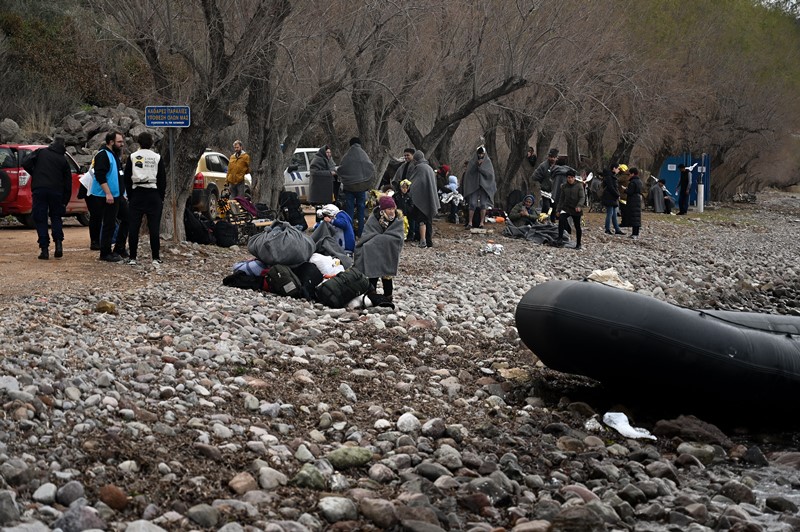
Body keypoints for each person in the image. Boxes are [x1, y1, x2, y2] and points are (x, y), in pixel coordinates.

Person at [124, 131, 166, 265]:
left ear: (139, 142)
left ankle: (132, 257)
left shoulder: (132, 157)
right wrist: (160, 196)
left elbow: (127, 178)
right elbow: (162, 179)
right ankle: (155, 257)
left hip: (137, 192)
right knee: (154, 227)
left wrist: (130, 195)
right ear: (151, 143)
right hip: (153, 192)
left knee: (134, 227)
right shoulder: (157, 157)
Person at [354, 195, 404, 309]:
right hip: (375, 251)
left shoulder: (397, 220)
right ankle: (371, 294)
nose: (392, 211)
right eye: (389, 209)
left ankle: (388, 296)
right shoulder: (374, 219)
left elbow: (398, 237)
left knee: (387, 274)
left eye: (393, 208)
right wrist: (381, 240)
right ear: (383, 210)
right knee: (374, 270)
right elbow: (368, 234)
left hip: (388, 251)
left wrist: (381, 240)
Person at [87, 131, 129, 262]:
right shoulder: (103, 155)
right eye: (119, 142)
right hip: (107, 196)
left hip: (117, 195)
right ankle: (105, 253)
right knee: (109, 224)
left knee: (127, 218)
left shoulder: (114, 155)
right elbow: (100, 175)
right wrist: (108, 193)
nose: (122, 144)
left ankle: (119, 248)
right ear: (111, 142)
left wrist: (123, 193)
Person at [28, 137, 72, 260]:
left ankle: (44, 249)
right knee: (56, 217)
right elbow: (68, 183)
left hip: (39, 189)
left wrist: (35, 173)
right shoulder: (63, 160)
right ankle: (58, 245)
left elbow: (26, 162)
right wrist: (65, 200)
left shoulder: (41, 152)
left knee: (40, 218)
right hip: (57, 191)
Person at [337, 137, 375, 238]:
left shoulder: (347, 156)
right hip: (361, 187)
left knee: (349, 210)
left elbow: (341, 169)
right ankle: (361, 233)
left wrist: (346, 178)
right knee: (361, 210)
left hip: (349, 187)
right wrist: (364, 179)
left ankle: (350, 232)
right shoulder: (363, 154)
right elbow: (371, 167)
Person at [408, 150, 440, 248]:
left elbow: (414, 183)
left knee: (422, 220)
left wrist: (409, 191)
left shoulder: (419, 168)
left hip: (422, 199)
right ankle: (429, 241)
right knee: (428, 221)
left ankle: (423, 241)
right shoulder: (429, 168)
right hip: (429, 198)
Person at [462, 146, 496, 229]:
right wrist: (476, 166)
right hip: (474, 185)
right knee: (472, 203)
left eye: (482, 154)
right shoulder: (472, 162)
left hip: (484, 186)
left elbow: (490, 175)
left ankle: (481, 223)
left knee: (483, 204)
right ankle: (470, 222)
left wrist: (481, 168)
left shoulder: (488, 162)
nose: (480, 155)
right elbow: (469, 174)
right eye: (479, 153)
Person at [555, 169, 585, 249]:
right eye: (568, 177)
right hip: (566, 208)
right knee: (561, 219)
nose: (570, 179)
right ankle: (560, 239)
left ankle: (578, 243)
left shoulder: (579, 185)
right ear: (566, 178)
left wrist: (579, 206)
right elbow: (561, 199)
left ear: (574, 178)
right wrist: (558, 210)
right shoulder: (564, 186)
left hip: (576, 208)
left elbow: (582, 197)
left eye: (572, 177)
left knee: (577, 226)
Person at [531, 148, 559, 219]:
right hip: (545, 190)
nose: (553, 159)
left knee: (553, 207)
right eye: (551, 157)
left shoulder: (557, 166)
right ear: (548, 157)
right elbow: (534, 176)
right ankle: (541, 220)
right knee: (546, 206)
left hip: (553, 190)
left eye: (554, 157)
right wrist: (542, 182)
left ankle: (552, 221)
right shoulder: (543, 166)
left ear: (556, 158)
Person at [602, 165, 625, 235]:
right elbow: (611, 187)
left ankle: (617, 229)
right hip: (609, 197)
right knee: (610, 213)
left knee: (614, 214)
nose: (619, 170)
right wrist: (617, 195)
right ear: (614, 168)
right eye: (618, 168)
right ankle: (607, 229)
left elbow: (614, 187)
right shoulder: (609, 177)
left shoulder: (612, 176)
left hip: (613, 197)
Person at [625, 167, 644, 239]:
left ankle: (634, 234)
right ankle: (636, 233)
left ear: (632, 174)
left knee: (634, 217)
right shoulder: (639, 181)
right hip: (638, 200)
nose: (629, 175)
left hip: (633, 200)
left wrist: (625, 190)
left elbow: (630, 192)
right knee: (637, 217)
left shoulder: (632, 182)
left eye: (629, 174)